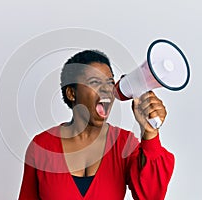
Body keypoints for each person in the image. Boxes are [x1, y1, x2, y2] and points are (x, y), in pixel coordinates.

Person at [18, 50, 174, 200]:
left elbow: (151, 196)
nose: (107, 89)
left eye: (110, 82)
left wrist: (150, 133)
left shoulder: (124, 144)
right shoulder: (41, 146)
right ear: (72, 93)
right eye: (94, 82)